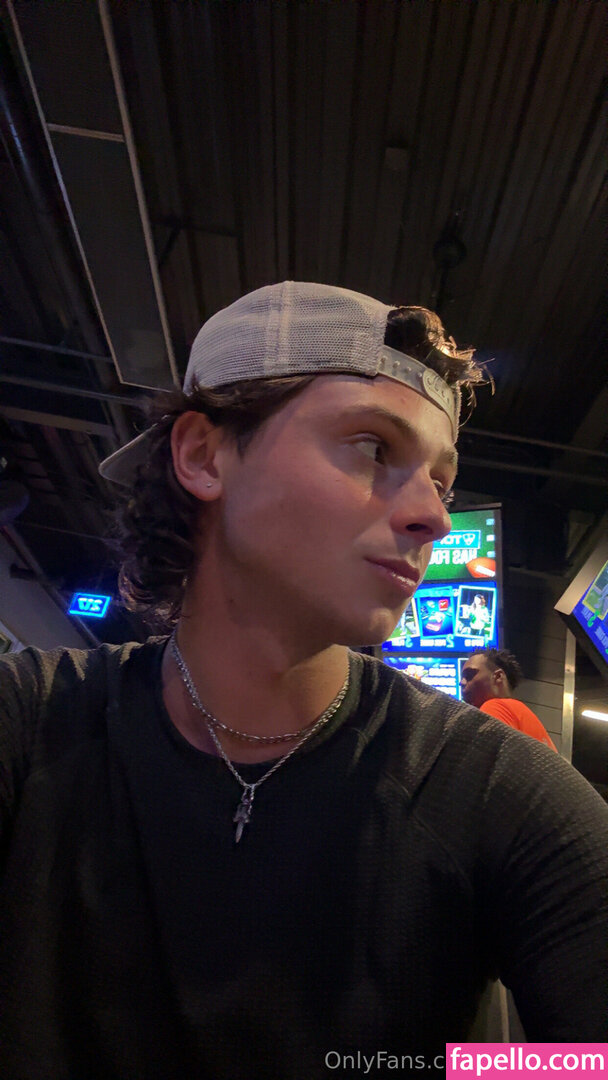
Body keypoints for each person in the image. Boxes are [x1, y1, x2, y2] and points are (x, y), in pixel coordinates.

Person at [0, 282, 606, 1079]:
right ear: (203, 455)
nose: (433, 515)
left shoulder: (491, 787)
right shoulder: (30, 720)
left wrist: (453, 1069)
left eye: (442, 482)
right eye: (372, 446)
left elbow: (586, 1059)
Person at [460, 647, 558, 750]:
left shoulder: (495, 706)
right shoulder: (522, 712)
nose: (461, 682)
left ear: (498, 677)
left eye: (469, 675)